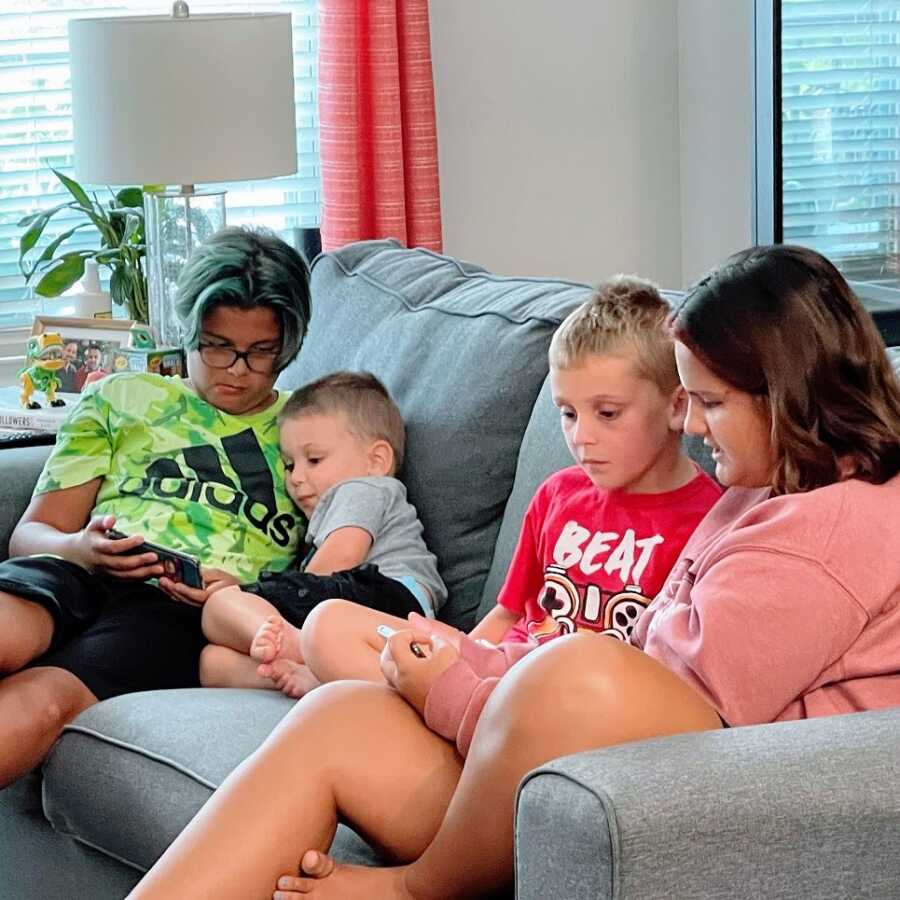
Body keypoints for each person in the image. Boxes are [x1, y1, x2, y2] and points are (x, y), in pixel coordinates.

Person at [127, 244, 900, 900]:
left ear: (787, 392)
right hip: (595, 777)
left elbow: (660, 702)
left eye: (709, 402)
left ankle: (417, 886)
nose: (692, 426)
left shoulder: (831, 529)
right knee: (339, 716)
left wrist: (463, 697)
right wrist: (476, 677)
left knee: (582, 668)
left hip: (713, 808)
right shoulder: (772, 490)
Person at [296, 277, 721, 696]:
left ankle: (439, 716)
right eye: (568, 413)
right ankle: (440, 709)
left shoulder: (710, 522)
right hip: (500, 679)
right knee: (327, 624)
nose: (581, 437)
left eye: (607, 413)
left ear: (677, 406)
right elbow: (506, 616)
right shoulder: (558, 496)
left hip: (571, 702)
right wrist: (456, 661)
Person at [0, 225, 310, 788]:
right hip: (77, 569)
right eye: (217, 346)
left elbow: (344, 560)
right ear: (188, 333)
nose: (237, 369)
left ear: (288, 345)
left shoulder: (313, 424)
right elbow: (33, 533)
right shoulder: (121, 396)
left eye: (260, 352)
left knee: (44, 703)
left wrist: (240, 595)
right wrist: (81, 548)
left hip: (177, 612)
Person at [194, 370, 447, 698]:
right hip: (375, 627)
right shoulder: (340, 504)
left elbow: (342, 555)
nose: (296, 477)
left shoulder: (364, 487)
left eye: (314, 459)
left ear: (376, 460)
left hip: (386, 599)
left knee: (221, 605)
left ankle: (301, 647)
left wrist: (263, 596)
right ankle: (314, 671)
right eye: (289, 465)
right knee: (212, 663)